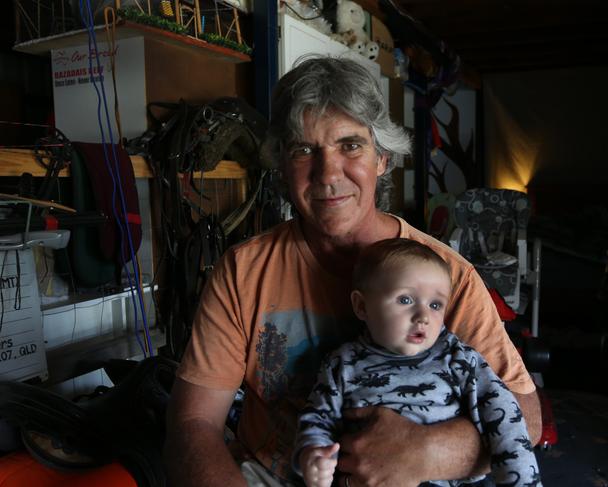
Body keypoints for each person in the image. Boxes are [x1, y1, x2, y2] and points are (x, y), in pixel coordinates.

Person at [165, 55, 541, 487]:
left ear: (382, 159)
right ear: (283, 166)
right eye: (304, 150)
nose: (328, 174)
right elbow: (193, 422)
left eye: (350, 145)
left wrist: (426, 453)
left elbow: (524, 418)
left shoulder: (445, 276)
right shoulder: (243, 271)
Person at [295, 238, 542, 487]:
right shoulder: (342, 363)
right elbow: (318, 417)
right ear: (361, 306)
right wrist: (313, 454)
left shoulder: (459, 358)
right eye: (405, 300)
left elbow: (507, 417)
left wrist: (520, 481)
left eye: (435, 305)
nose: (423, 316)